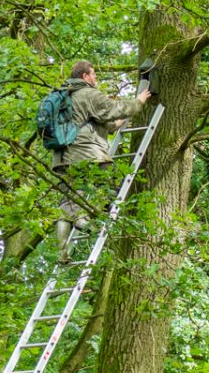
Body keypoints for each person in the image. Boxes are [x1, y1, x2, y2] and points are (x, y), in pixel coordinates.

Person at [50, 61, 152, 249]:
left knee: (68, 200)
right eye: (94, 74)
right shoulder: (88, 94)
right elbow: (113, 109)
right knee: (113, 182)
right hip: (86, 152)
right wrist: (139, 102)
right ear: (85, 76)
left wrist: (115, 125)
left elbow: (90, 121)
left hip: (62, 158)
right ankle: (86, 219)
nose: (96, 78)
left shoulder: (62, 97)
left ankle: (61, 250)